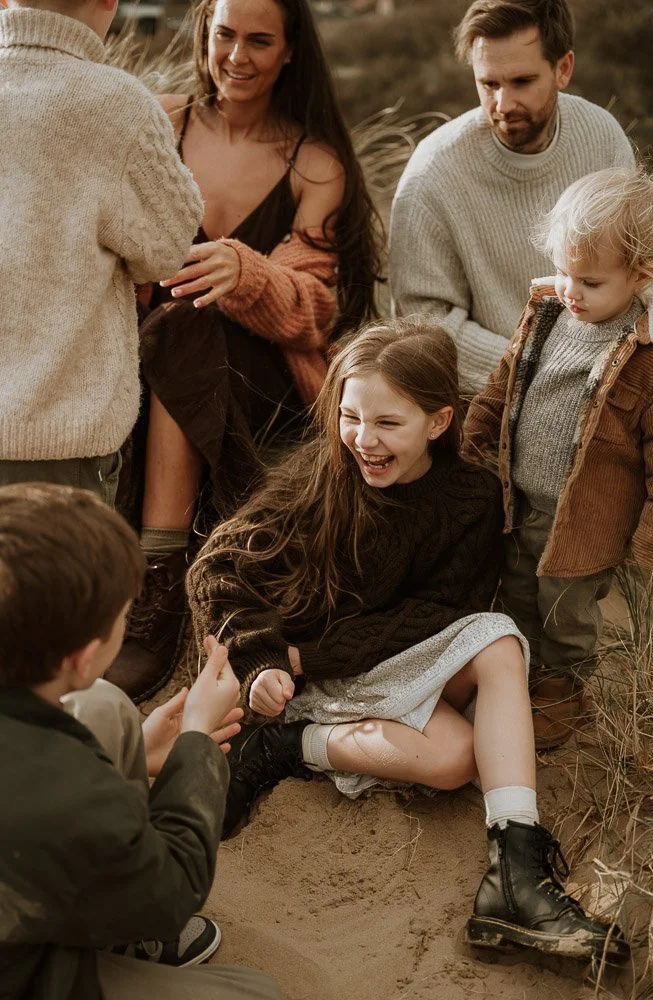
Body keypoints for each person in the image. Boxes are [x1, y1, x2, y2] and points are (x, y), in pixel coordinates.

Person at [186, 320, 629, 963]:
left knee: (497, 642)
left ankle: (517, 875)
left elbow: (444, 613)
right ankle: (287, 743)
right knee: (452, 760)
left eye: (388, 423)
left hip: (376, 658)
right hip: (313, 679)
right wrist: (263, 661)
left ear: (440, 421)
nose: (364, 440)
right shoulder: (320, 479)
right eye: (350, 416)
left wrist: (315, 655)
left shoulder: (470, 500)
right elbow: (216, 569)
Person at [107, 0, 381, 704]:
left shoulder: (311, 161)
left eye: (259, 41)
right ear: (203, 34)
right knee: (176, 324)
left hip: (264, 380)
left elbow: (315, 314)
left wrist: (247, 273)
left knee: (189, 325)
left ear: (290, 52)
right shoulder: (159, 123)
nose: (237, 56)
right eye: (224, 34)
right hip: (140, 360)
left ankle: (160, 573)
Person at [0, 482, 283, 1000]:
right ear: (83, 656)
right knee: (255, 992)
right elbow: (173, 889)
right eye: (121, 618)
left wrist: (129, 754)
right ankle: (109, 930)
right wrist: (195, 743)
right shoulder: (63, 787)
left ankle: (118, 933)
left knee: (104, 707)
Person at [462, 166, 653, 749]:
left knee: (566, 608)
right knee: (518, 585)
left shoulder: (652, 357)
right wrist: (473, 442)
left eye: (591, 282)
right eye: (563, 271)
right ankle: (520, 673)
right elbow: (504, 387)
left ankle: (564, 687)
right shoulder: (550, 312)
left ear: (641, 276)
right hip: (522, 495)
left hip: (587, 517)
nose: (571, 290)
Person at [0, 0, 203, 505]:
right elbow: (170, 245)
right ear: (109, 3)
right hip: (59, 448)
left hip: (56, 446)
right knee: (69, 587)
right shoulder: (118, 106)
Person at [389, 0, 636, 397]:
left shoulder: (602, 138)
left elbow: (636, 273)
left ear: (563, 69)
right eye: (489, 84)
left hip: (607, 377)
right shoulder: (432, 173)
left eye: (521, 82)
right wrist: (535, 368)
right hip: (486, 397)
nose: (502, 105)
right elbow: (423, 323)